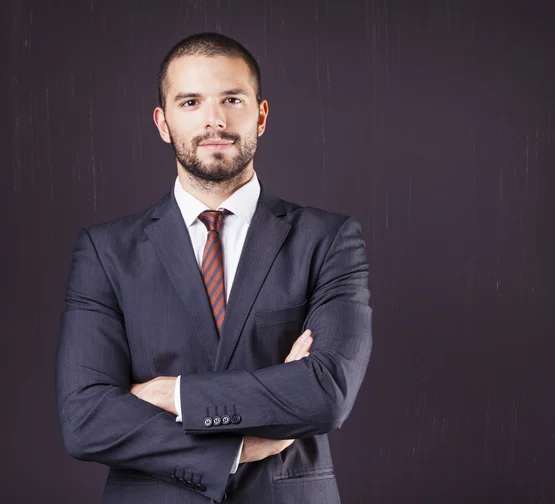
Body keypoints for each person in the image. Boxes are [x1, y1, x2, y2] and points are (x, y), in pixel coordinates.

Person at [55, 32, 372, 504]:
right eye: (190, 102)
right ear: (163, 123)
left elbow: (326, 392)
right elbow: (86, 420)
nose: (214, 120)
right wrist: (236, 448)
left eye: (231, 98)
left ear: (260, 115)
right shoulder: (105, 252)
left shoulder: (328, 240)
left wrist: (175, 395)